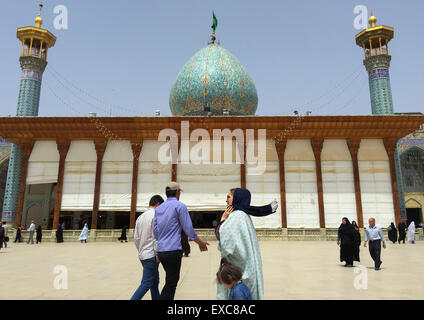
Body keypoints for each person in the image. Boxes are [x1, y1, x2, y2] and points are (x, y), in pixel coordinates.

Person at [216, 188, 277, 300]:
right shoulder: (243, 216)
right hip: (246, 269)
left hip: (238, 274)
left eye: (228, 197)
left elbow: (225, 242)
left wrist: (222, 220)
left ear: (237, 199)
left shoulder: (236, 217)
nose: (226, 200)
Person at [153, 182, 210, 300]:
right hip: (173, 250)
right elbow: (188, 228)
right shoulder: (180, 206)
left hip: (162, 251)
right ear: (177, 192)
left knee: (170, 281)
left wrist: (162, 243)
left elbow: (155, 230)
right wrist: (200, 242)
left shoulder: (159, 209)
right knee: (171, 283)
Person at [131, 195, 164, 300]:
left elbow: (136, 238)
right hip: (151, 255)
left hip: (143, 254)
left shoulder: (141, 217)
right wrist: (158, 254)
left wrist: (141, 250)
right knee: (146, 283)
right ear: (158, 204)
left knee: (154, 281)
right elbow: (156, 238)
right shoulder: (156, 216)